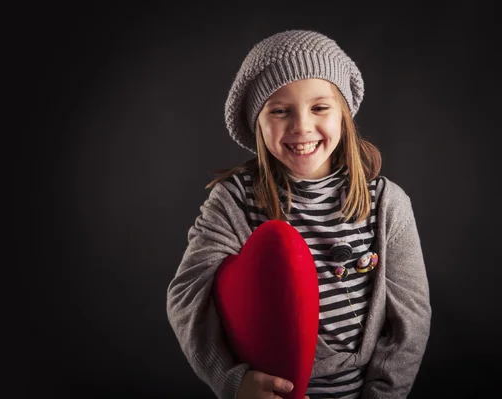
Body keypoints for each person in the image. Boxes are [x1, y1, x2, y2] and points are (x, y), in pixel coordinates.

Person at [166, 29, 431, 399]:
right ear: (257, 122)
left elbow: (410, 321)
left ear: (343, 115)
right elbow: (187, 293)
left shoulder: (387, 204)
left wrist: (384, 395)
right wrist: (231, 379)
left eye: (319, 107)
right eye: (280, 110)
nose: (302, 127)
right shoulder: (237, 200)